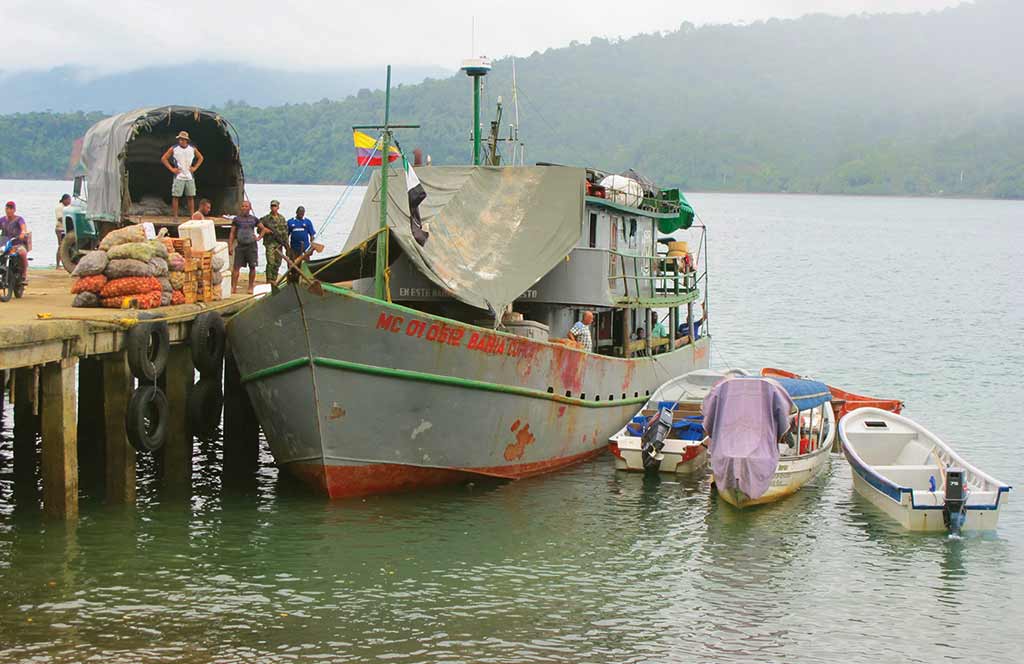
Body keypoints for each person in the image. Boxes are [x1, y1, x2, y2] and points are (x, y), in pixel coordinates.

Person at [160, 130, 204, 219]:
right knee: (176, 196)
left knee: (190, 196)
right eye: (180, 139)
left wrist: (194, 168)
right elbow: (164, 158)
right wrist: (172, 169)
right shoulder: (174, 148)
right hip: (179, 176)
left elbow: (201, 158)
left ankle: (192, 216)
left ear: (186, 140)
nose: (181, 141)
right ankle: (175, 216)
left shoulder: (192, 149)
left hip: (189, 176)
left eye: (183, 139)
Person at [228, 200, 259, 294]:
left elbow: (262, 228)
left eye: (246, 206)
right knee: (236, 267)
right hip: (240, 246)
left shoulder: (254, 219)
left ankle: (250, 287)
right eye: (243, 206)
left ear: (250, 208)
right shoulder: (237, 219)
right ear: (240, 208)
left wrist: (258, 237)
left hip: (251, 246)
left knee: (252, 267)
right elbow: (232, 233)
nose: (244, 208)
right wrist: (230, 246)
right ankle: (233, 287)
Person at [258, 200, 288, 283]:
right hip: (270, 243)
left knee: (278, 262)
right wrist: (265, 230)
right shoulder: (266, 218)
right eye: (272, 206)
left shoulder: (282, 218)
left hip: (279, 243)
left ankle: (274, 279)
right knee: (270, 262)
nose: (273, 207)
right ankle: (269, 279)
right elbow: (258, 228)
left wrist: (286, 244)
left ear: (278, 207)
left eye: (275, 206)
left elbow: (285, 232)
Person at [1, 201, 29, 280]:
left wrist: (23, 233)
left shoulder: (19, 219)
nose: (9, 210)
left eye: (11, 208)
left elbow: (23, 227)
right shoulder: (2, 220)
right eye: (7, 208)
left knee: (22, 253)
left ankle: (24, 273)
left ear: (14, 210)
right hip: (4, 245)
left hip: (17, 244)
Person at [54, 193, 70, 269]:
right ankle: (57, 264)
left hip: (64, 229)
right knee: (61, 246)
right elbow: (60, 218)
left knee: (65, 246)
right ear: (64, 200)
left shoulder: (66, 207)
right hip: (60, 229)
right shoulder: (59, 207)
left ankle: (63, 263)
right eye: (68, 200)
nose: (69, 202)